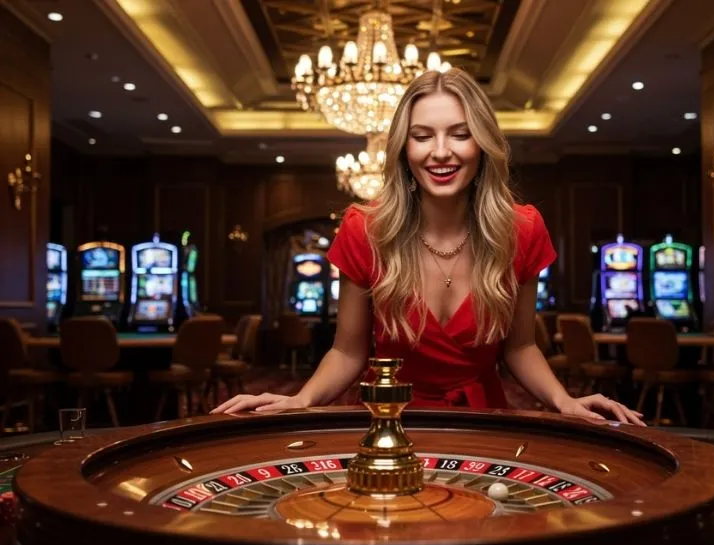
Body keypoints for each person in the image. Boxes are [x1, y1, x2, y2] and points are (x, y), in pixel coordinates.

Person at [212, 68, 645, 426]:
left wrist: (564, 401)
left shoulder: (522, 230)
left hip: (484, 418)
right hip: (385, 417)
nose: (441, 152)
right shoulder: (365, 229)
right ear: (403, 148)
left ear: (482, 142)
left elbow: (519, 347)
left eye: (459, 134)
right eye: (422, 136)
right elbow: (348, 350)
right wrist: (302, 399)